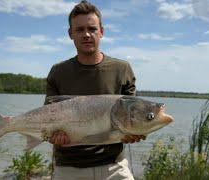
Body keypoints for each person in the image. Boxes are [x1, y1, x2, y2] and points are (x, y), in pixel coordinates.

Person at [45, 1, 145, 179]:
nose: (86, 34)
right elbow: (48, 119)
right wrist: (53, 135)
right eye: (80, 29)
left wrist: (133, 132)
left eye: (92, 28)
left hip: (114, 166)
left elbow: (133, 117)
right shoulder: (58, 72)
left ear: (102, 32)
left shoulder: (122, 69)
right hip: (68, 168)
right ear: (70, 34)